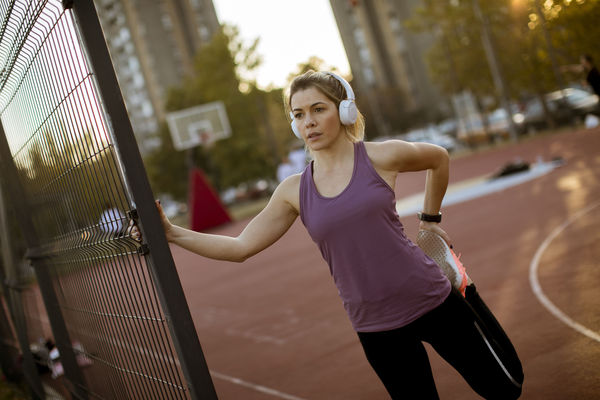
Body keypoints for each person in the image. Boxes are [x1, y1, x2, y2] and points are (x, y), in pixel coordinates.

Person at [154, 70, 522, 399]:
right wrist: (171, 233)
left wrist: (429, 219)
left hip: (431, 299)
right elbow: (239, 247)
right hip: (376, 327)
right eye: (298, 115)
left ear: (344, 111)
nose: (308, 122)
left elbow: (438, 158)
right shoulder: (293, 191)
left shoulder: (379, 157)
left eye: (318, 109)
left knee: (502, 389)